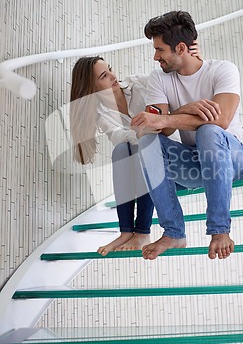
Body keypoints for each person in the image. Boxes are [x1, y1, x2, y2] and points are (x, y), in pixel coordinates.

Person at [131, 11, 243, 261]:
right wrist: (184, 110)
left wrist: (166, 118)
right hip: (198, 165)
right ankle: (174, 232)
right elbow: (161, 129)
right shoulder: (158, 78)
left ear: (180, 48)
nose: (155, 57)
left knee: (209, 131)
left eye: (160, 50)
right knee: (147, 142)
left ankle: (220, 230)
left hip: (235, 160)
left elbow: (221, 120)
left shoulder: (222, 70)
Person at [70, 47, 201, 255]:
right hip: (151, 170)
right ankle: (126, 231)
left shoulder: (139, 84)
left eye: (110, 69)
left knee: (146, 147)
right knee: (123, 149)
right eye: (104, 76)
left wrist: (191, 58)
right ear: (91, 88)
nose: (113, 76)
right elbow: (118, 137)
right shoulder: (101, 113)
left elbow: (173, 77)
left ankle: (142, 231)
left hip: (177, 164)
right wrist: (145, 131)